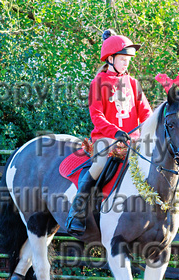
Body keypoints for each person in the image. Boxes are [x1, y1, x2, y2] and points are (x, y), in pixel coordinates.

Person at [65, 29, 152, 236]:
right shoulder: (98, 83)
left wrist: (147, 131)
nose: (126, 63)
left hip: (132, 141)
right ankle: (77, 210)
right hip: (105, 138)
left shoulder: (133, 84)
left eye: (128, 60)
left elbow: (146, 113)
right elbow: (97, 117)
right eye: (122, 59)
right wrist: (116, 132)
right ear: (111, 59)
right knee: (101, 162)